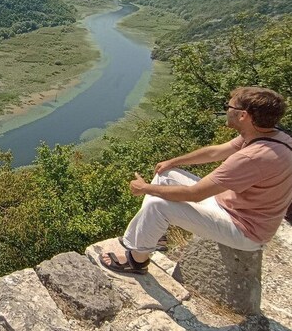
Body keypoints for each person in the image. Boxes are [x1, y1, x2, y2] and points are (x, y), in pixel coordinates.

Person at [101, 86, 292, 275]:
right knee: (166, 175)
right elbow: (215, 152)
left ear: (243, 116)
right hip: (238, 208)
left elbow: (195, 194)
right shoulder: (271, 136)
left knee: (158, 205)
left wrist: (144, 188)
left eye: (229, 106)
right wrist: (173, 162)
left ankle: (136, 261)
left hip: (245, 229)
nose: (226, 110)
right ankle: (155, 237)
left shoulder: (253, 157)